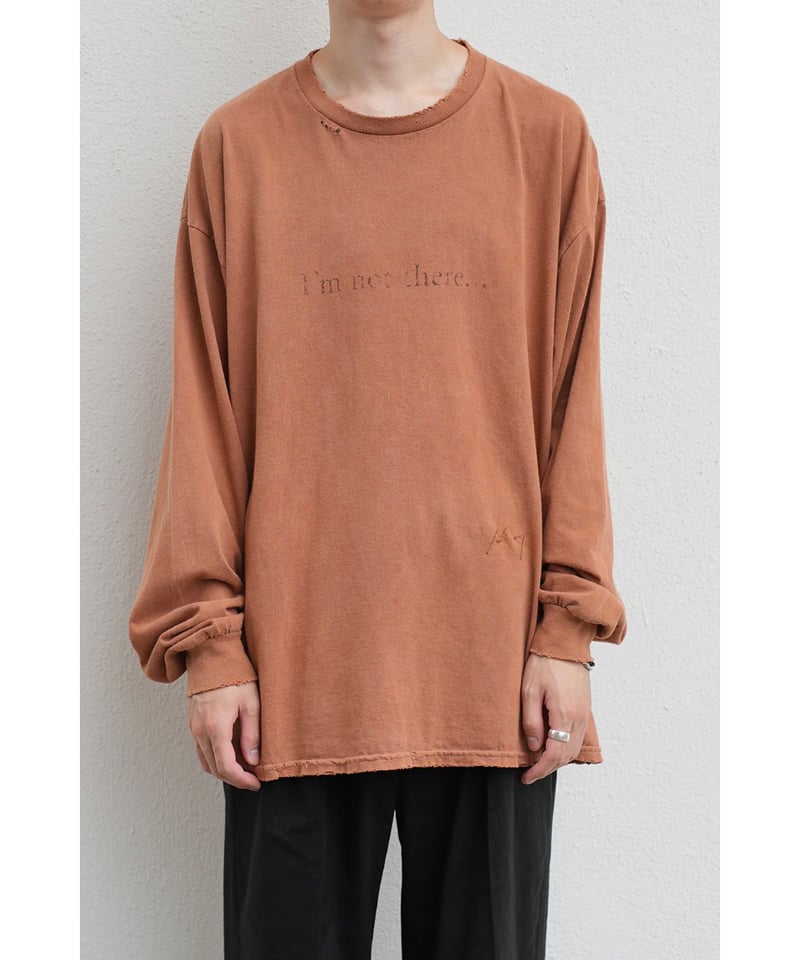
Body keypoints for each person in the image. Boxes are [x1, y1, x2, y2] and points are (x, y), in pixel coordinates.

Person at [128, 2, 628, 957]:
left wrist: (568, 628)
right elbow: (203, 412)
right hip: (293, 674)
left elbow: (575, 400)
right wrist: (210, 646)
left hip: (496, 674)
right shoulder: (240, 147)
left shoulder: (545, 137)